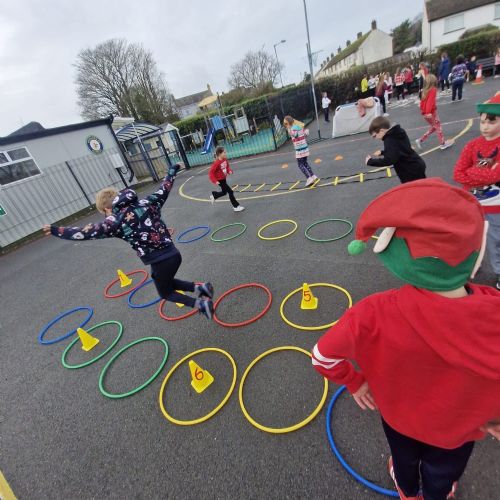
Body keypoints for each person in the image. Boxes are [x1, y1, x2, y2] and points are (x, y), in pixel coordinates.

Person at [312, 178, 500, 500]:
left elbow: (322, 356)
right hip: (458, 434)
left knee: (404, 462)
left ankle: (408, 491)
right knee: (443, 473)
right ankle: (440, 492)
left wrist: (355, 382)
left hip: (399, 421)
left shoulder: (371, 313)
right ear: (476, 252)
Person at [43, 164, 215, 319]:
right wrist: (172, 171)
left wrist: (57, 230)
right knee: (164, 281)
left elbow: (85, 232)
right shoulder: (146, 202)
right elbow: (165, 188)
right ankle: (201, 288)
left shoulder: (115, 221)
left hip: (160, 260)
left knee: (165, 292)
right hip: (173, 254)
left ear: (107, 208)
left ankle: (201, 304)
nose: (106, 216)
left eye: (104, 213)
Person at [453, 92, 500, 290]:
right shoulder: (472, 145)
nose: (485, 127)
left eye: (491, 121)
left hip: (496, 206)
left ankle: (499, 271)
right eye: (482, 122)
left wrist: (472, 172)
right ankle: (472, 267)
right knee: (470, 239)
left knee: (496, 242)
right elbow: (458, 173)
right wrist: (484, 173)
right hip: (472, 204)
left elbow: (495, 176)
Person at [366, 116, 426, 183]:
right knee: (423, 186)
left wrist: (371, 161)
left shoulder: (389, 140)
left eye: (375, 136)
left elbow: (389, 160)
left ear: (382, 130)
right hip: (416, 164)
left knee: (414, 189)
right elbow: (399, 150)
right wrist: (383, 152)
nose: (376, 138)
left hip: (409, 170)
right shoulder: (398, 132)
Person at [415, 74, 453, 151]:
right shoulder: (433, 90)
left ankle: (420, 140)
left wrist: (424, 112)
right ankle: (443, 144)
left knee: (434, 127)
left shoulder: (424, 91)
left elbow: (421, 103)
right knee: (438, 127)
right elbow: (430, 102)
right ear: (433, 81)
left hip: (425, 114)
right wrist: (429, 112)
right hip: (431, 113)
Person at [283, 115, 318, 187]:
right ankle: (313, 176)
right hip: (305, 148)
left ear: (289, 123)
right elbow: (305, 134)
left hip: (300, 149)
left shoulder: (292, 129)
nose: (285, 125)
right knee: (305, 163)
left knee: (300, 164)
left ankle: (309, 178)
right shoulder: (299, 127)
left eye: (286, 124)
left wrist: (289, 130)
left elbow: (295, 135)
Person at [209, 146, 245, 212]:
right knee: (230, 192)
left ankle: (214, 196)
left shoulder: (225, 160)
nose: (226, 153)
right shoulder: (216, 163)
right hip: (219, 180)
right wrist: (215, 181)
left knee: (224, 192)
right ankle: (236, 206)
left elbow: (227, 167)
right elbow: (211, 173)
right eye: (224, 152)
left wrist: (229, 171)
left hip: (223, 178)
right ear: (220, 154)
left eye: (225, 152)